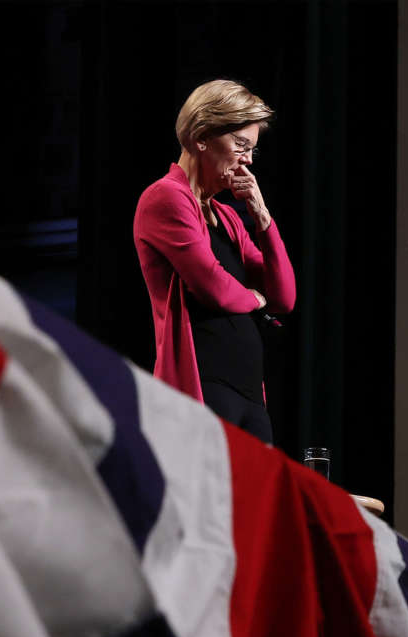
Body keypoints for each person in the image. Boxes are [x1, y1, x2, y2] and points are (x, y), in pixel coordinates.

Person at [133, 79, 296, 444]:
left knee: (255, 501)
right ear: (202, 135)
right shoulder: (165, 198)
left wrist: (262, 217)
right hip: (203, 389)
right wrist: (254, 299)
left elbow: (284, 297)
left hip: (250, 396)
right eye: (240, 145)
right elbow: (212, 286)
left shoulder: (228, 217)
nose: (248, 159)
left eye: (252, 149)